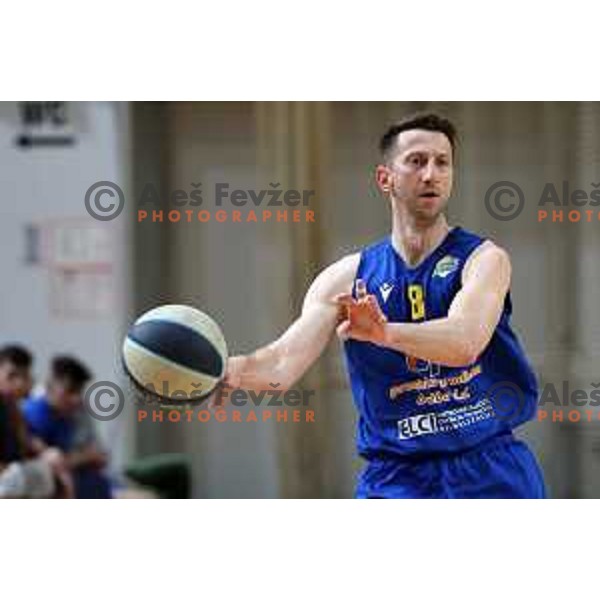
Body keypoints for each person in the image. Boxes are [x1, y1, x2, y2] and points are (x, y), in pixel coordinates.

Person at [215, 113, 545, 499]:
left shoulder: (484, 260)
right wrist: (230, 369)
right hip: (397, 478)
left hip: (487, 467)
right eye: (417, 161)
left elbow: (465, 341)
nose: (431, 174)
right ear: (385, 178)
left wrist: (385, 333)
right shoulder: (344, 280)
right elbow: (283, 364)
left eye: (443, 162)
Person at [23, 355, 111, 499]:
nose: (76, 399)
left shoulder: (68, 415)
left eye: (79, 392)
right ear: (50, 386)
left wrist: (86, 458)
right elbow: (53, 462)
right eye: (70, 391)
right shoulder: (33, 414)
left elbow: (100, 457)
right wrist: (85, 457)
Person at [0, 345, 72, 498]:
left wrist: (47, 453)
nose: (18, 383)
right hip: (6, 480)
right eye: (11, 376)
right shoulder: (30, 408)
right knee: (43, 474)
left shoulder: (15, 408)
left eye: (23, 376)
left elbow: (28, 442)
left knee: (53, 466)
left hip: (12, 476)